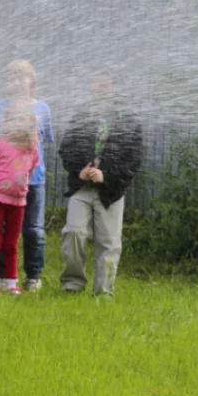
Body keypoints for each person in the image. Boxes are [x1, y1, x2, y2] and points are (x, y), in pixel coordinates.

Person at [57, 69, 143, 297]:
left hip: (111, 192)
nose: (99, 89)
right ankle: (72, 285)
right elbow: (67, 148)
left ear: (113, 88)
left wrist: (106, 176)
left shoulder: (128, 119)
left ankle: (103, 293)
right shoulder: (82, 115)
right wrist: (80, 170)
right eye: (96, 84)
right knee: (73, 232)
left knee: (109, 242)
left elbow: (133, 160)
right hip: (81, 188)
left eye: (104, 85)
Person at [0, 60, 55, 292]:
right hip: (5, 182)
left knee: (33, 229)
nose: (17, 82)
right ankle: (2, 275)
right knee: (4, 229)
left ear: (32, 81)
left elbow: (45, 141)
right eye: (12, 77)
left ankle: (34, 276)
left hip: (34, 180)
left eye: (22, 76)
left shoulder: (43, 109)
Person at [0, 102, 41, 295]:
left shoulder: (32, 149)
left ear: (30, 123)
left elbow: (30, 172)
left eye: (22, 119)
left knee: (12, 243)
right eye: (13, 119)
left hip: (19, 202)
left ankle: (11, 282)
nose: (18, 123)